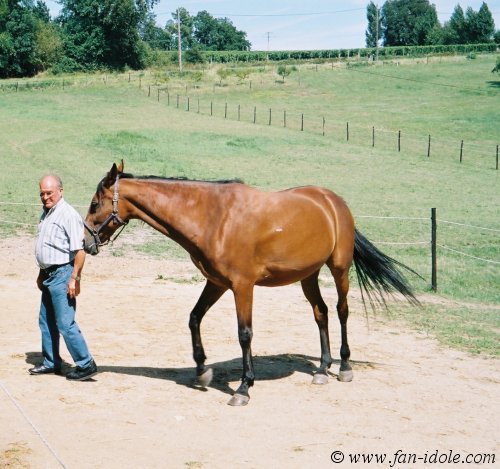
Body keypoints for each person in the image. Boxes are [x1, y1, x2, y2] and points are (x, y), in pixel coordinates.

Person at [30, 174, 97, 381]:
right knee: (46, 320)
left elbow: (80, 250)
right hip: (49, 275)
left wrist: (74, 278)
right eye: (42, 193)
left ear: (61, 191)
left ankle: (86, 363)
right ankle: (51, 362)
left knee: (65, 323)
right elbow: (48, 247)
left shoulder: (68, 214)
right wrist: (42, 273)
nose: (45, 197)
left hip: (63, 274)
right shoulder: (48, 214)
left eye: (49, 193)